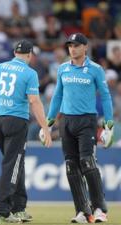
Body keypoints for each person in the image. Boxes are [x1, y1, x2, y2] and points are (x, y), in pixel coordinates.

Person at [46, 33, 113, 223]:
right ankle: (83, 212)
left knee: (88, 163)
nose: (72, 49)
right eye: (70, 46)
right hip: (66, 122)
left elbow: (106, 96)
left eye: (76, 45)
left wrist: (108, 125)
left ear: (85, 47)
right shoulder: (63, 69)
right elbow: (57, 96)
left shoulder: (96, 69)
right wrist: (49, 122)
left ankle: (99, 208)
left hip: (87, 122)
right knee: (71, 167)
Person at [0, 40, 52, 223]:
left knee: (16, 162)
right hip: (16, 121)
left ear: (14, 52)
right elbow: (34, 101)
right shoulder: (30, 73)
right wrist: (45, 127)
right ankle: (2, 212)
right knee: (12, 165)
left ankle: (19, 208)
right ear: (30, 54)